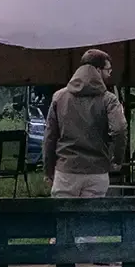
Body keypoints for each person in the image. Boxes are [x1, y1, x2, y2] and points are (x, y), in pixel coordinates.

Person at [43, 48, 127, 198]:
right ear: (97, 70)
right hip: (97, 172)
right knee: (92, 220)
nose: (109, 74)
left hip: (66, 172)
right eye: (108, 70)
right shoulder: (109, 99)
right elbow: (119, 129)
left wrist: (48, 170)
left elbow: (50, 137)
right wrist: (117, 159)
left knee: (64, 220)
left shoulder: (59, 97)